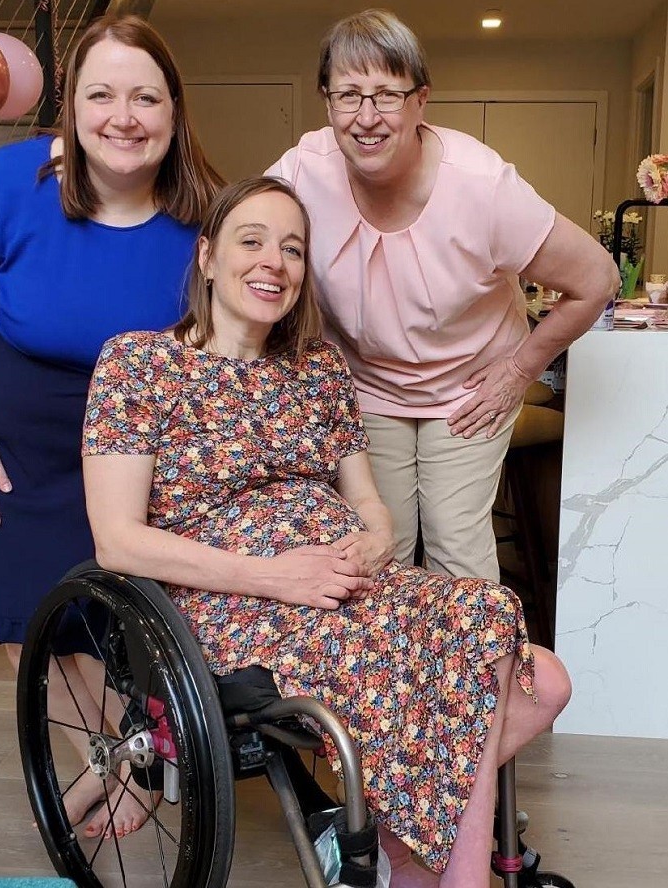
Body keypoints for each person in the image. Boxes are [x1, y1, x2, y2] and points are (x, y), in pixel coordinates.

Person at [82, 175, 571, 887]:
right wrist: (278, 575)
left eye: (291, 248)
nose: (272, 262)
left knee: (510, 637)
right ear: (208, 257)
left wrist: (372, 540)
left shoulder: (317, 369)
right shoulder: (140, 364)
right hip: (227, 603)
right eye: (251, 241)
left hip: (347, 579)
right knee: (513, 674)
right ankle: (445, 874)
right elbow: (117, 542)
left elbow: (369, 505)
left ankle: (401, 854)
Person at [0, 13, 222, 836]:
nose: (124, 116)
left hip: (140, 448)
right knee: (21, 608)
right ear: (70, 107)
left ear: (174, 112)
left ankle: (136, 762)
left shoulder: (205, 215)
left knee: (117, 618)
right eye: (101, 94)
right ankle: (120, 760)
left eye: (146, 96)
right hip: (14, 443)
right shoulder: (7, 183)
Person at [267, 9, 620, 581]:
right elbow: (250, 245)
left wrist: (520, 370)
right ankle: (396, 670)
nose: (366, 117)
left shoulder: (482, 187)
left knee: (456, 544)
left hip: (469, 385)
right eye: (348, 95)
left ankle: (476, 669)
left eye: (387, 94)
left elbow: (597, 280)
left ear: (420, 100)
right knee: (381, 545)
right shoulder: (304, 169)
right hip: (367, 383)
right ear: (325, 101)